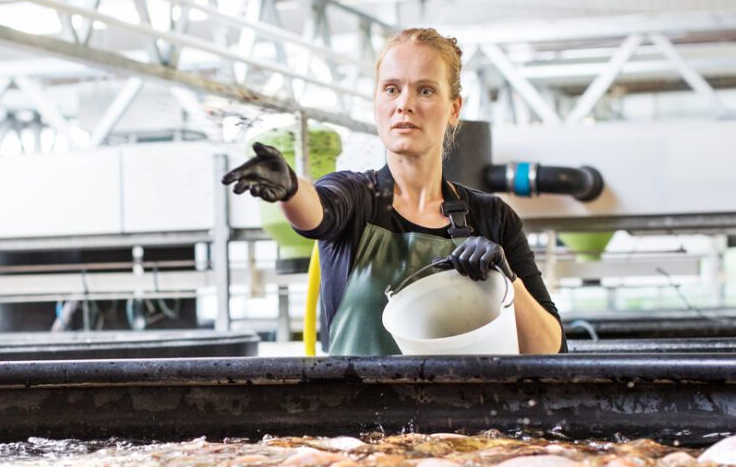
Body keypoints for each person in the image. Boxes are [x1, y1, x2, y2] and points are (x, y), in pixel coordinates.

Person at [223, 28, 565, 356]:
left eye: (426, 90)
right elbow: (316, 213)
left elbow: (550, 349)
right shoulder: (355, 197)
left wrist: (507, 279)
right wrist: (291, 189)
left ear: (454, 109)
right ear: (376, 104)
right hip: (358, 415)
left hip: (461, 416)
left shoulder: (493, 217)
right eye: (391, 89)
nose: (405, 104)